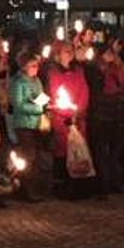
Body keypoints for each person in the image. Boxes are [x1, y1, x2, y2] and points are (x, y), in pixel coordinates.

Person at [45, 41, 89, 198]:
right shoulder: (52, 73)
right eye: (65, 51)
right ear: (57, 54)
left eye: (71, 50)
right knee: (62, 152)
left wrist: (79, 111)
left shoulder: (78, 71)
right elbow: (52, 95)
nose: (69, 53)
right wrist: (65, 112)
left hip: (78, 118)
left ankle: (79, 185)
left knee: (78, 152)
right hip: (61, 119)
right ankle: (63, 186)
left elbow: (84, 92)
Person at [88, 42, 124, 197]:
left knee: (114, 151)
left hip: (116, 113)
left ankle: (115, 182)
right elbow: (95, 91)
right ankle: (102, 185)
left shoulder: (118, 69)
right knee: (101, 151)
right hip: (100, 113)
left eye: (111, 53)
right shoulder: (94, 69)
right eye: (107, 53)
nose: (110, 56)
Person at [9, 53, 48, 201]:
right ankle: (25, 189)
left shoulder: (36, 80)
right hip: (24, 124)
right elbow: (18, 105)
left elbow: (41, 97)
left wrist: (45, 103)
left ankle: (35, 188)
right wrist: (38, 109)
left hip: (37, 124)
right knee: (28, 157)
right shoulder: (18, 83)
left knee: (36, 157)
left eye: (37, 65)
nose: (36, 68)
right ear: (24, 67)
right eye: (33, 65)